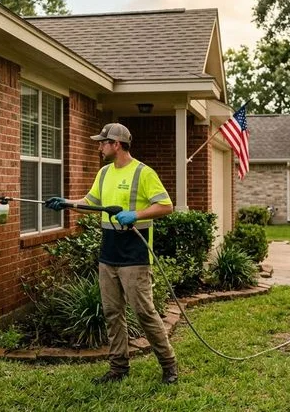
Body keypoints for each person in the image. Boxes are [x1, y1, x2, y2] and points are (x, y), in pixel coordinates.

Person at [44, 122, 178, 385]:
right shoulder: (104, 173)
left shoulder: (143, 172)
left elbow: (166, 205)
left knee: (144, 313)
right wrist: (67, 203)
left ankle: (169, 365)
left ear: (116, 144)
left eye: (103, 143)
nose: (99, 147)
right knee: (112, 313)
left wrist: (135, 214)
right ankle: (118, 368)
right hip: (108, 254)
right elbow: (90, 203)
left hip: (135, 256)